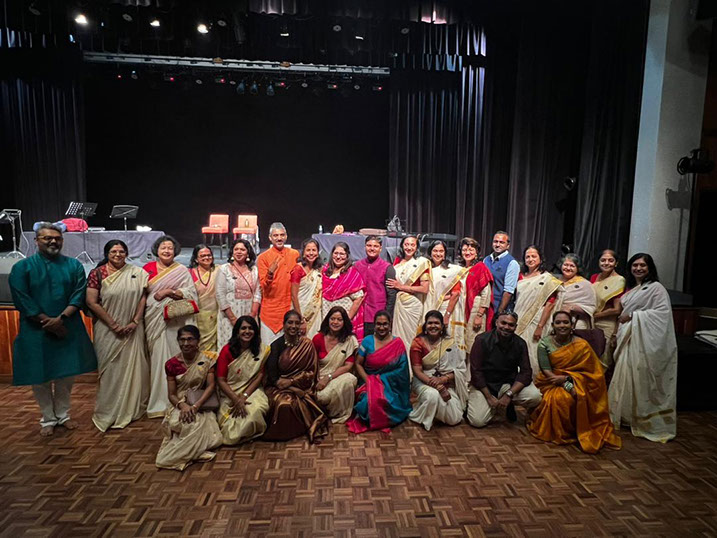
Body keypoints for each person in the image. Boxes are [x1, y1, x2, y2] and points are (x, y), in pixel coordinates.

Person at [9, 222, 97, 436]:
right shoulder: (22, 267)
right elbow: (22, 298)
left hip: (68, 326)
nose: (53, 242)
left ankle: (63, 415)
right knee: (40, 376)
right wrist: (48, 322)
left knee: (66, 375)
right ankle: (48, 418)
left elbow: (78, 294)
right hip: (36, 329)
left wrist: (61, 319)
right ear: (36, 241)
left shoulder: (73, 266)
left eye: (57, 238)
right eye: (47, 238)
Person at [527, 311, 621, 453]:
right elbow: (546, 370)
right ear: (553, 325)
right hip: (550, 381)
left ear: (572, 325)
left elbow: (593, 373)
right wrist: (565, 384)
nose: (562, 325)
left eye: (566, 322)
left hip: (580, 381)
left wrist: (568, 379)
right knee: (559, 399)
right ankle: (562, 433)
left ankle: (579, 430)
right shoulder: (544, 343)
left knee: (576, 396)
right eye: (558, 322)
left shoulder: (582, 345)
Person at [608, 253, 677, 443]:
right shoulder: (634, 289)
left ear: (649, 268)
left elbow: (662, 314)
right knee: (625, 376)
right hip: (628, 338)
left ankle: (642, 417)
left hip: (643, 340)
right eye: (635, 265)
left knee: (640, 376)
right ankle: (626, 415)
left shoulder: (656, 288)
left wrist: (634, 316)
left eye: (642, 265)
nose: (638, 268)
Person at [87, 240, 149, 432]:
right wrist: (114, 325)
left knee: (134, 368)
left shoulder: (137, 273)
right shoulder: (97, 274)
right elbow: (91, 302)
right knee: (110, 370)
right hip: (107, 329)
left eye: (121, 251)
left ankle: (131, 408)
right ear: (107, 254)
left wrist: (135, 321)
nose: (118, 255)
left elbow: (143, 297)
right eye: (113, 251)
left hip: (133, 328)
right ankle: (108, 411)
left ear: (127, 253)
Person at [143, 235, 198, 418]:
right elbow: (141, 293)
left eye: (170, 248)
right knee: (158, 359)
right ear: (157, 250)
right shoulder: (148, 269)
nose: (167, 251)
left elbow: (191, 293)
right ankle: (159, 401)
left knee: (175, 356)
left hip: (175, 322)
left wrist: (169, 292)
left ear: (175, 251)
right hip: (154, 319)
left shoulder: (181, 270)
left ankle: (178, 398)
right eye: (163, 248)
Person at [155, 325, 223, 470]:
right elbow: (171, 394)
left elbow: (211, 386)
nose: (186, 343)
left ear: (198, 341)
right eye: (182, 340)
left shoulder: (208, 359)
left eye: (190, 339)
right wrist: (183, 406)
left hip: (202, 403)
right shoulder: (171, 364)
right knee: (181, 423)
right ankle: (195, 452)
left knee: (210, 434)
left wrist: (196, 406)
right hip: (180, 404)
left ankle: (186, 453)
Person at [262, 310, 330, 443]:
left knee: (294, 403)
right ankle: (282, 433)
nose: (293, 326)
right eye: (290, 322)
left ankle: (298, 429)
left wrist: (293, 381)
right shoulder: (275, 346)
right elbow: (273, 377)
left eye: (297, 323)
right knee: (284, 404)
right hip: (278, 388)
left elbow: (311, 372)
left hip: (303, 387)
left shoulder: (307, 344)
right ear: (284, 324)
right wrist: (293, 389)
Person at [466, 311, 541, 428]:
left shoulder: (520, 343)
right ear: (496, 322)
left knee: (535, 397)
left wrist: (508, 395)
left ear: (515, 327)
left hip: (508, 385)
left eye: (511, 325)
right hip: (485, 386)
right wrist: (489, 397)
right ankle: (494, 406)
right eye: (503, 323)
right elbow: (476, 372)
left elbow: (526, 372)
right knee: (477, 421)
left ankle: (504, 403)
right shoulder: (482, 340)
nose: (506, 327)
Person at [347, 311, 412, 433]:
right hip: (368, 382)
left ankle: (385, 419)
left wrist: (381, 381)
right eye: (378, 324)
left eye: (385, 324)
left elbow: (402, 370)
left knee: (386, 401)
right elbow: (358, 363)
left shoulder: (397, 343)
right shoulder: (367, 341)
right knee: (367, 403)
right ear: (374, 325)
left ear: (390, 324)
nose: (382, 327)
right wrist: (368, 380)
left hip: (391, 385)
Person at [408, 311, 468, 431]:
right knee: (432, 395)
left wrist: (443, 380)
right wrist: (438, 386)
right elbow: (417, 371)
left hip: (446, 382)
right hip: (423, 380)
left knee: (454, 419)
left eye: (436, 323)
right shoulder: (418, 343)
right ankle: (420, 416)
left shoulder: (450, 343)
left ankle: (431, 409)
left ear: (442, 326)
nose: (433, 326)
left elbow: (458, 369)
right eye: (430, 323)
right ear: (425, 326)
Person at [216, 316, 270, 445]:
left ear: (255, 331)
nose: (247, 331)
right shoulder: (227, 350)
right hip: (230, 392)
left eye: (250, 328)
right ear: (237, 331)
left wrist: (244, 396)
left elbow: (259, 376)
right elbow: (221, 380)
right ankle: (241, 436)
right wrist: (236, 399)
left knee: (256, 409)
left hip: (252, 390)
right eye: (243, 328)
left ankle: (249, 434)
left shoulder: (261, 350)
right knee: (229, 425)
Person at [513, 245, 562, 375]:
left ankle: (534, 381)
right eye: (527, 257)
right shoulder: (520, 276)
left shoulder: (547, 279)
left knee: (532, 351)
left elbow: (550, 304)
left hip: (536, 320)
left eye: (534, 256)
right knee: (516, 350)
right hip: (518, 317)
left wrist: (540, 326)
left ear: (540, 259)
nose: (530, 259)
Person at [312, 306, 359, 423]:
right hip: (319, 377)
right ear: (328, 320)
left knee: (350, 379)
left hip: (338, 377)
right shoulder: (318, 338)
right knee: (321, 397)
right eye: (332, 319)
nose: (335, 322)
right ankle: (324, 412)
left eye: (339, 319)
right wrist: (317, 380)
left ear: (344, 322)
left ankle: (337, 413)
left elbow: (348, 366)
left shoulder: (349, 340)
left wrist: (328, 378)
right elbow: (312, 363)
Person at [256, 223, 300, 345]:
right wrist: (270, 273)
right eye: (275, 235)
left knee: (288, 349)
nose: (279, 238)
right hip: (270, 313)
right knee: (268, 350)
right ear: (270, 238)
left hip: (289, 310)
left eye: (282, 235)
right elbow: (263, 286)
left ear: (286, 236)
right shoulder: (263, 258)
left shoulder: (294, 254)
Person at [387, 235, 431, 354]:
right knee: (397, 337)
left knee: (410, 338)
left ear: (417, 247)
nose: (409, 247)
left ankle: (411, 364)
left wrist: (401, 287)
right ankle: (400, 362)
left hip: (412, 305)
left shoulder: (422, 262)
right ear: (402, 246)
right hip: (397, 304)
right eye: (406, 244)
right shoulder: (397, 261)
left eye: (412, 245)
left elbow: (424, 289)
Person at [216, 239, 261, 348]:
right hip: (229, 316)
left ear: (248, 253)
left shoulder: (254, 270)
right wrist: (233, 319)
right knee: (230, 347)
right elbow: (220, 294)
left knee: (249, 347)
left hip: (249, 313)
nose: (239, 252)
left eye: (242, 249)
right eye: (236, 249)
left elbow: (258, 293)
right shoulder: (224, 269)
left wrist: (252, 314)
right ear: (232, 252)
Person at [321, 242, 366, 340]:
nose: (338, 257)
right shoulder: (325, 271)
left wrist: (346, 320)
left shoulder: (352, 273)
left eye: (342, 254)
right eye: (336, 253)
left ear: (347, 256)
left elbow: (358, 299)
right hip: (326, 319)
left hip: (344, 320)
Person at [354, 235, 397, 336]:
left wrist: (387, 316)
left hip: (378, 315)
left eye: (375, 246)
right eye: (369, 245)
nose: (372, 248)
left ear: (380, 248)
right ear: (365, 247)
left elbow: (391, 295)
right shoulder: (357, 265)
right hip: (359, 313)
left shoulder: (387, 267)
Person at [590, 249, 626, 370]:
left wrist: (595, 316)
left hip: (607, 324)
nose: (606, 263)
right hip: (591, 323)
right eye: (603, 260)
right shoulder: (594, 277)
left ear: (616, 263)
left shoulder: (619, 280)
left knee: (603, 357)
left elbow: (617, 310)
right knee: (590, 356)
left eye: (610, 260)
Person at [458, 237, 493, 356]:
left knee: (473, 343)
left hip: (475, 310)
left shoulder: (480, 268)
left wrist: (479, 315)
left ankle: (472, 368)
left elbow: (486, 294)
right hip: (461, 310)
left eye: (471, 250)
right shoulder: (460, 269)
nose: (467, 252)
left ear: (477, 252)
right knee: (462, 342)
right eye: (464, 250)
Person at [424, 240, 463, 341]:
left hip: (444, 309)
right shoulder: (425, 268)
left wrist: (447, 315)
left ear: (445, 253)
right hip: (427, 307)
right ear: (430, 252)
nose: (438, 254)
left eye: (441, 251)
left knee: (443, 339)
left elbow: (456, 293)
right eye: (435, 251)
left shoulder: (452, 270)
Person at [290, 238, 323, 338]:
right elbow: (294, 296)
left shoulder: (318, 270)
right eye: (308, 250)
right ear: (303, 253)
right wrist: (300, 320)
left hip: (315, 313)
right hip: (301, 311)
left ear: (318, 253)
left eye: (314, 250)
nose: (311, 253)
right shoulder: (298, 269)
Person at [554, 253, 596, 330]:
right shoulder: (554, 281)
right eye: (565, 265)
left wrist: (571, 308)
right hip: (553, 321)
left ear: (578, 268)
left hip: (576, 324)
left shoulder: (585, 285)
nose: (568, 268)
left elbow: (590, 308)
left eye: (572, 266)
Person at [189, 244, 218, 352]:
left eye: (209, 255)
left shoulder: (218, 270)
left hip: (216, 316)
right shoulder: (190, 273)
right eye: (202, 256)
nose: (206, 258)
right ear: (196, 259)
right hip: (197, 316)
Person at [483, 231, 520, 314]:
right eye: (495, 241)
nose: (498, 244)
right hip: (485, 306)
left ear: (508, 245)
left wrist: (499, 313)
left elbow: (508, 292)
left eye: (502, 242)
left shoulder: (512, 263)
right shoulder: (486, 260)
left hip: (499, 308)